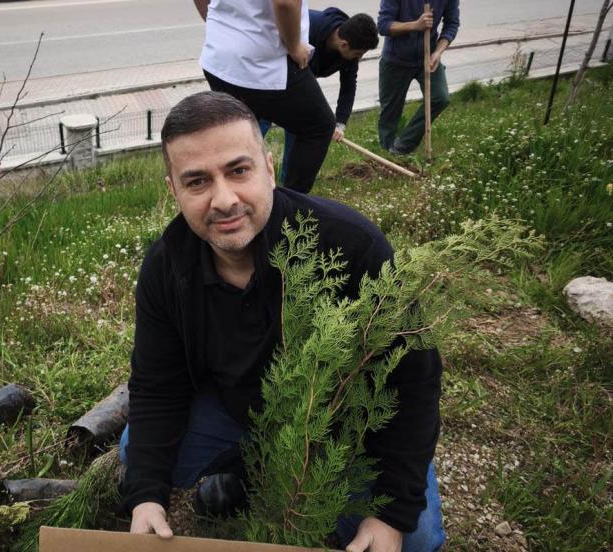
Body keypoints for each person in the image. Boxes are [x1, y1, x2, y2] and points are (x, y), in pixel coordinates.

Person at [120, 91, 445, 552]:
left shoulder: (351, 246)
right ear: (173, 190)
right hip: (237, 411)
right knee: (136, 453)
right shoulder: (165, 269)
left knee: (415, 539)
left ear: (269, 168)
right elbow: (157, 385)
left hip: (345, 427)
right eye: (197, 181)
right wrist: (146, 497)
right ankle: (248, 466)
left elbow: (412, 384)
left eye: (238, 170)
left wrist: (392, 513)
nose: (224, 199)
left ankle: (277, 473)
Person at [194, 0, 335, 194]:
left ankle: (237, 197)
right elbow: (285, 3)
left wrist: (217, 23)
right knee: (318, 126)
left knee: (239, 134)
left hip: (219, 57)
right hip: (264, 63)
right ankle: (291, 205)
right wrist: (294, 46)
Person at [260, 8, 379, 183]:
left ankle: (289, 188)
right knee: (259, 124)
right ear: (344, 45)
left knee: (300, 127)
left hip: (298, 82)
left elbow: (348, 87)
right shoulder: (307, 27)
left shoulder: (350, 50)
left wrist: (340, 123)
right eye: (358, 54)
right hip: (269, 79)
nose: (358, 59)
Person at [377, 0, 459, 155]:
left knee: (440, 98)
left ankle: (403, 146)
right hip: (395, 59)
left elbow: (452, 24)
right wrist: (415, 25)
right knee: (390, 113)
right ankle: (386, 154)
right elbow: (383, 25)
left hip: (428, 57)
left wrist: (438, 52)